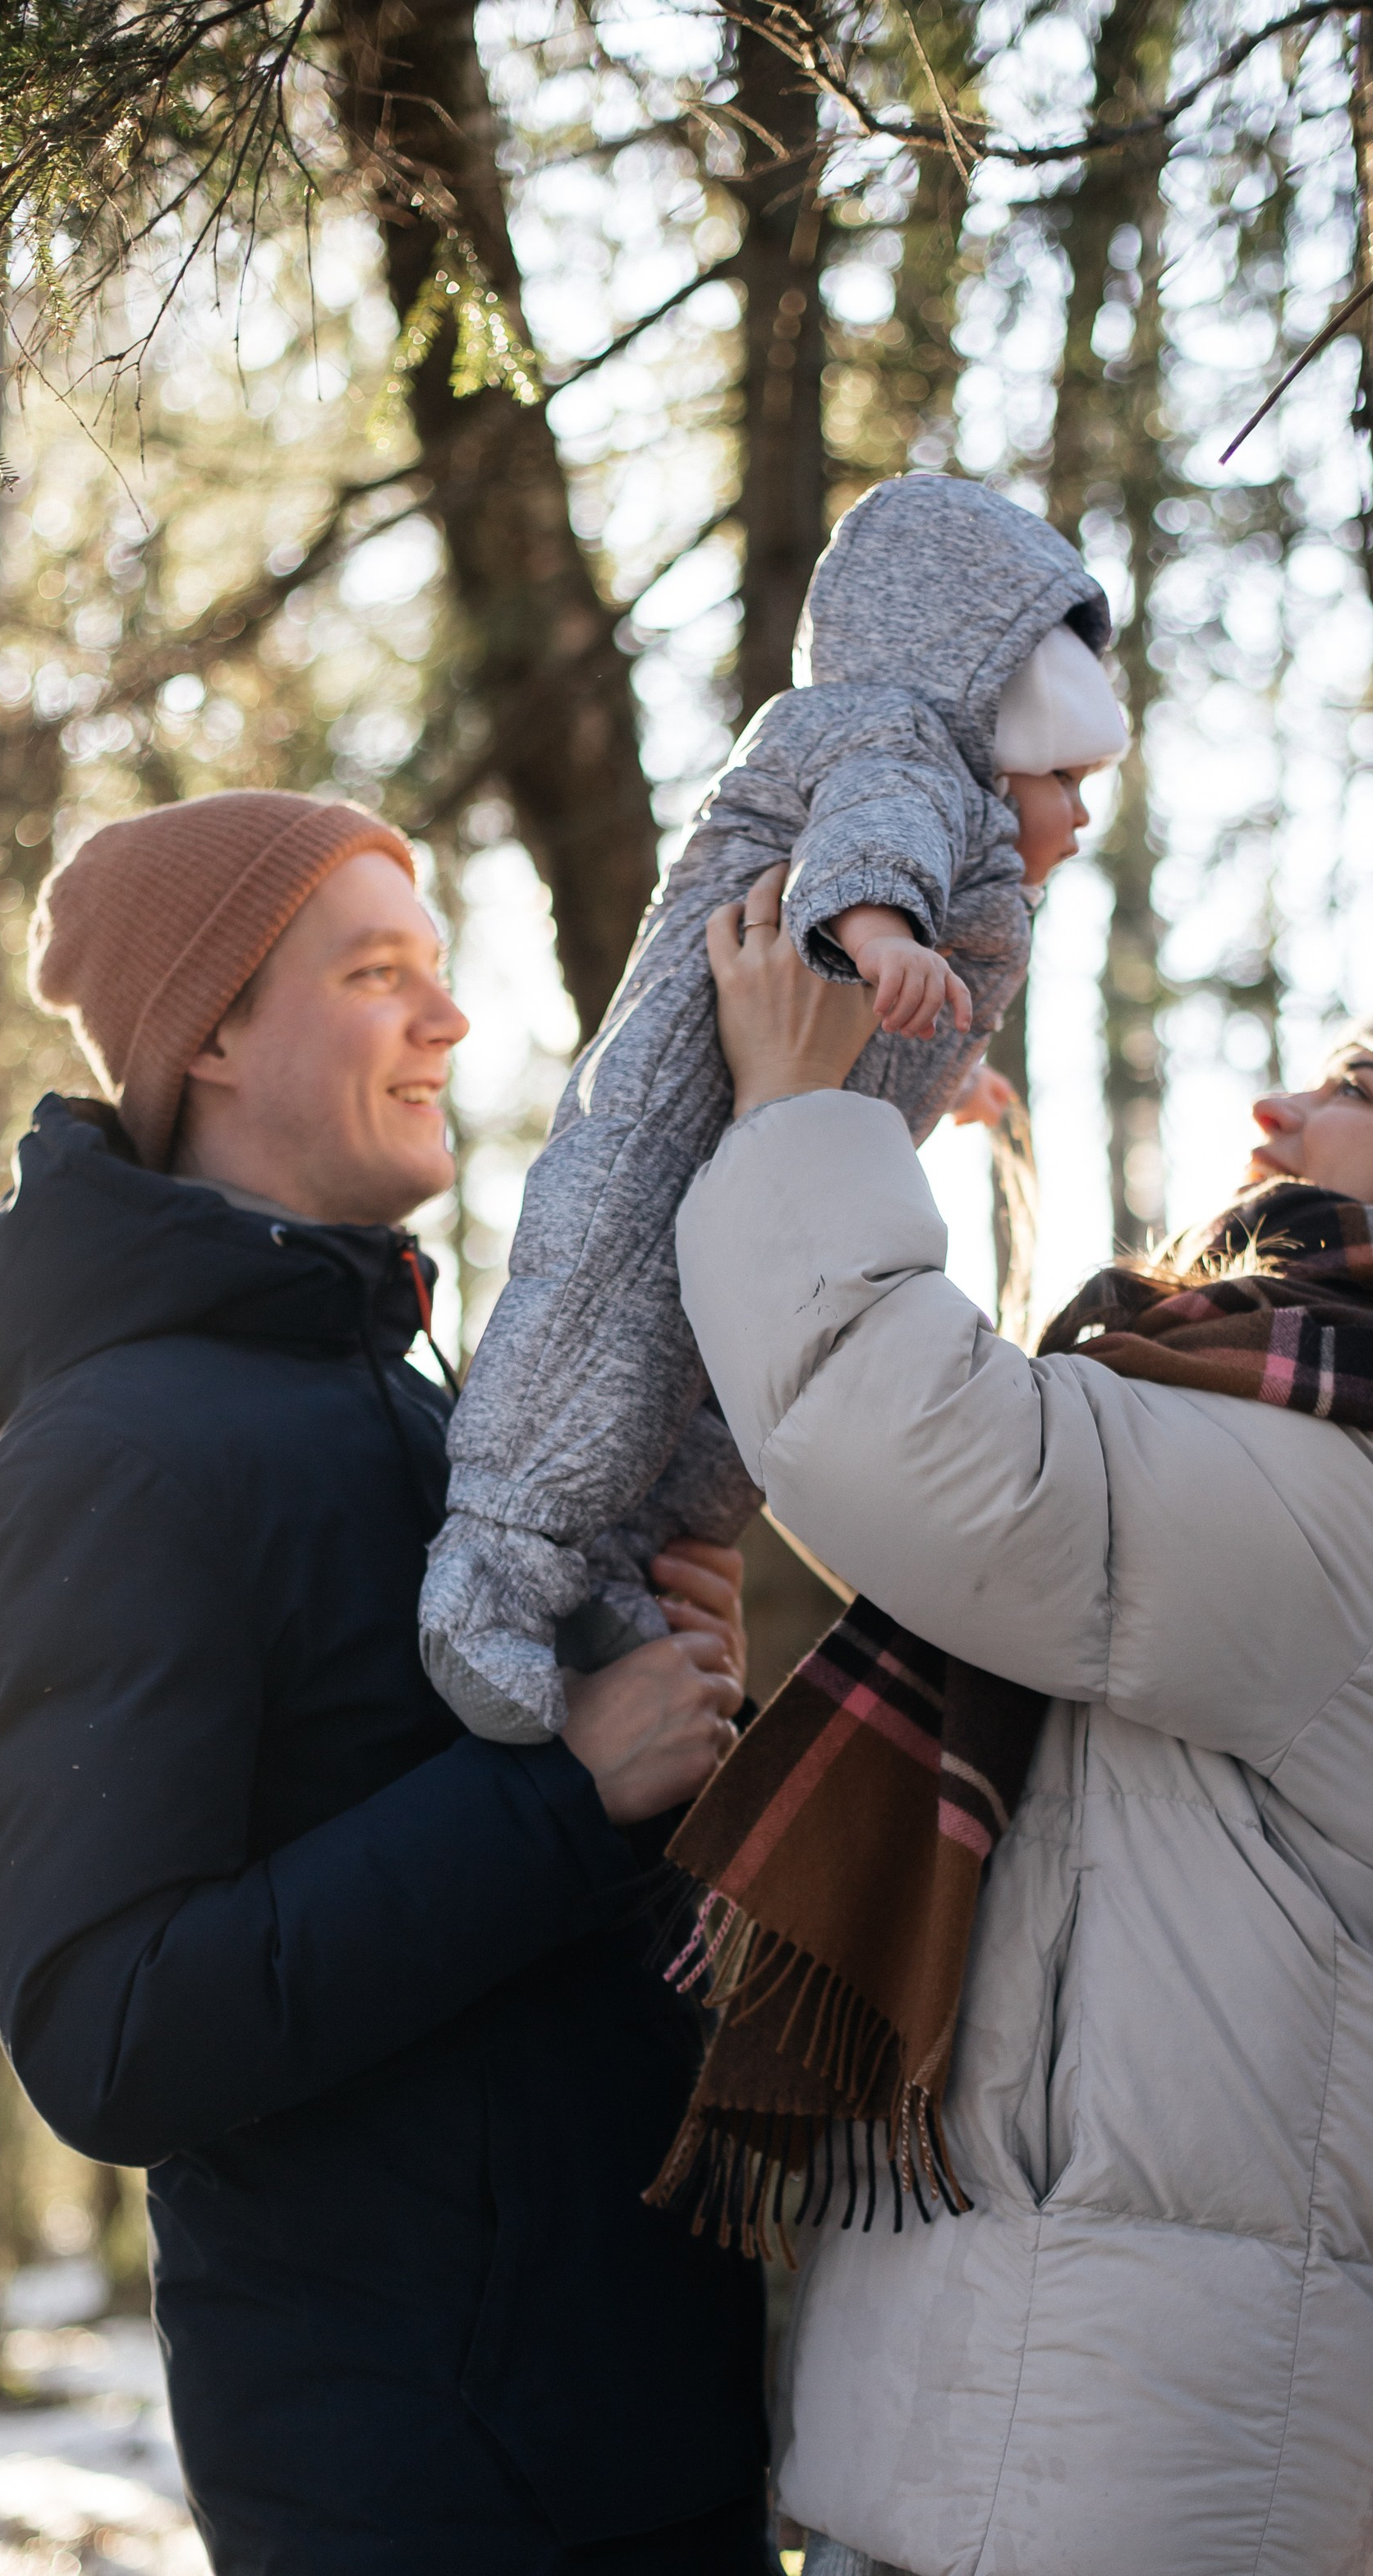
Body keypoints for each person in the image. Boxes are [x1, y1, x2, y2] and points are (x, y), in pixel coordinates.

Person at [0, 791, 833, 2576]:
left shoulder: (410, 1407)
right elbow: (114, 2031)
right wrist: (556, 1779)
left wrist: (665, 1725)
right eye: (374, 967)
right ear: (210, 1035)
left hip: (623, 2465)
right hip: (433, 2535)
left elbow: (506, 1918)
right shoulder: (111, 1469)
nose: (449, 1012)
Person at [672, 872, 1373, 2576]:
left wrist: (809, 1119)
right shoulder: (1342, 1446)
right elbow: (1048, 1521)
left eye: (1356, 1086)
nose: (1276, 1117)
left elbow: (955, 1471)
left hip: (1124, 2423)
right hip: (1109, 2397)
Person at [419, 469, 1127, 1747]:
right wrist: (878, 932)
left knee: (722, 1423)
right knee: (601, 1338)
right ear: (999, 725)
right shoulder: (889, 747)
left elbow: (884, 1030)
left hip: (761, 1150)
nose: (1079, 813)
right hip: (669, 1121)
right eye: (1068, 775)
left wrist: (951, 1076)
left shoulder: (969, 840)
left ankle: (615, 1578)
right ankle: (493, 1574)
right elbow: (868, 837)